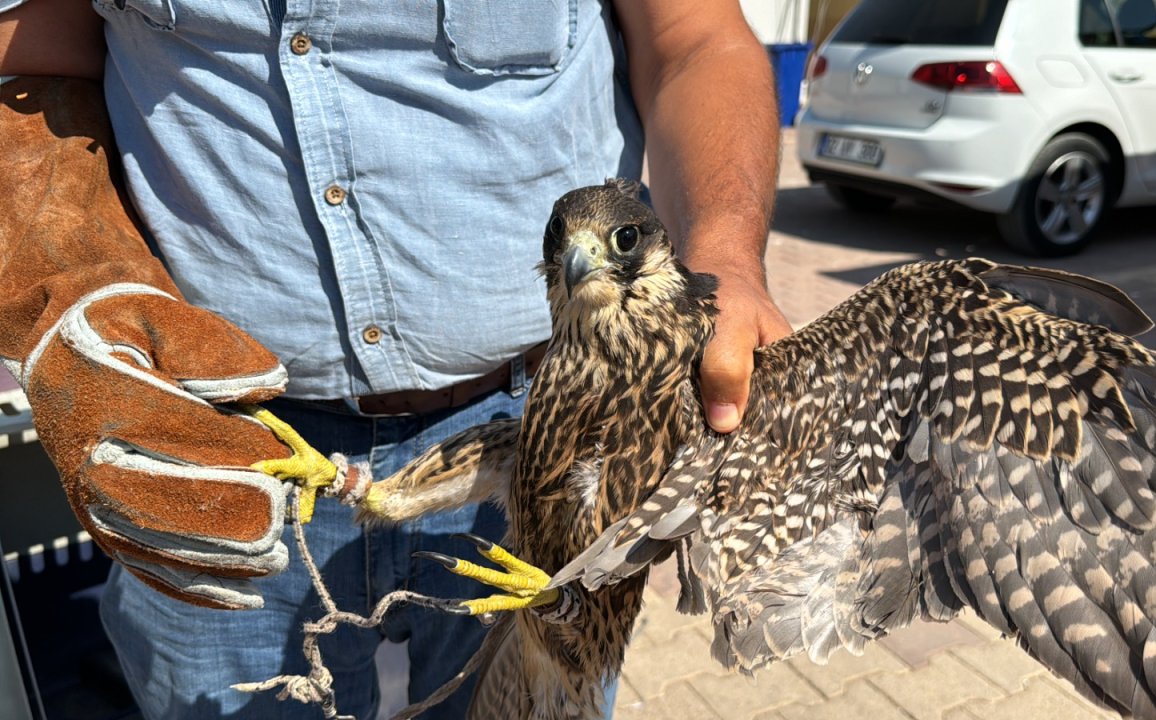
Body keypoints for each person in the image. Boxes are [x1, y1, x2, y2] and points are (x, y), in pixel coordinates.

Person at [0, 1, 791, 717]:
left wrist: (727, 263)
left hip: (548, 425)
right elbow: (28, 60)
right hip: (223, 444)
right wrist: (65, 276)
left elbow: (696, 40)